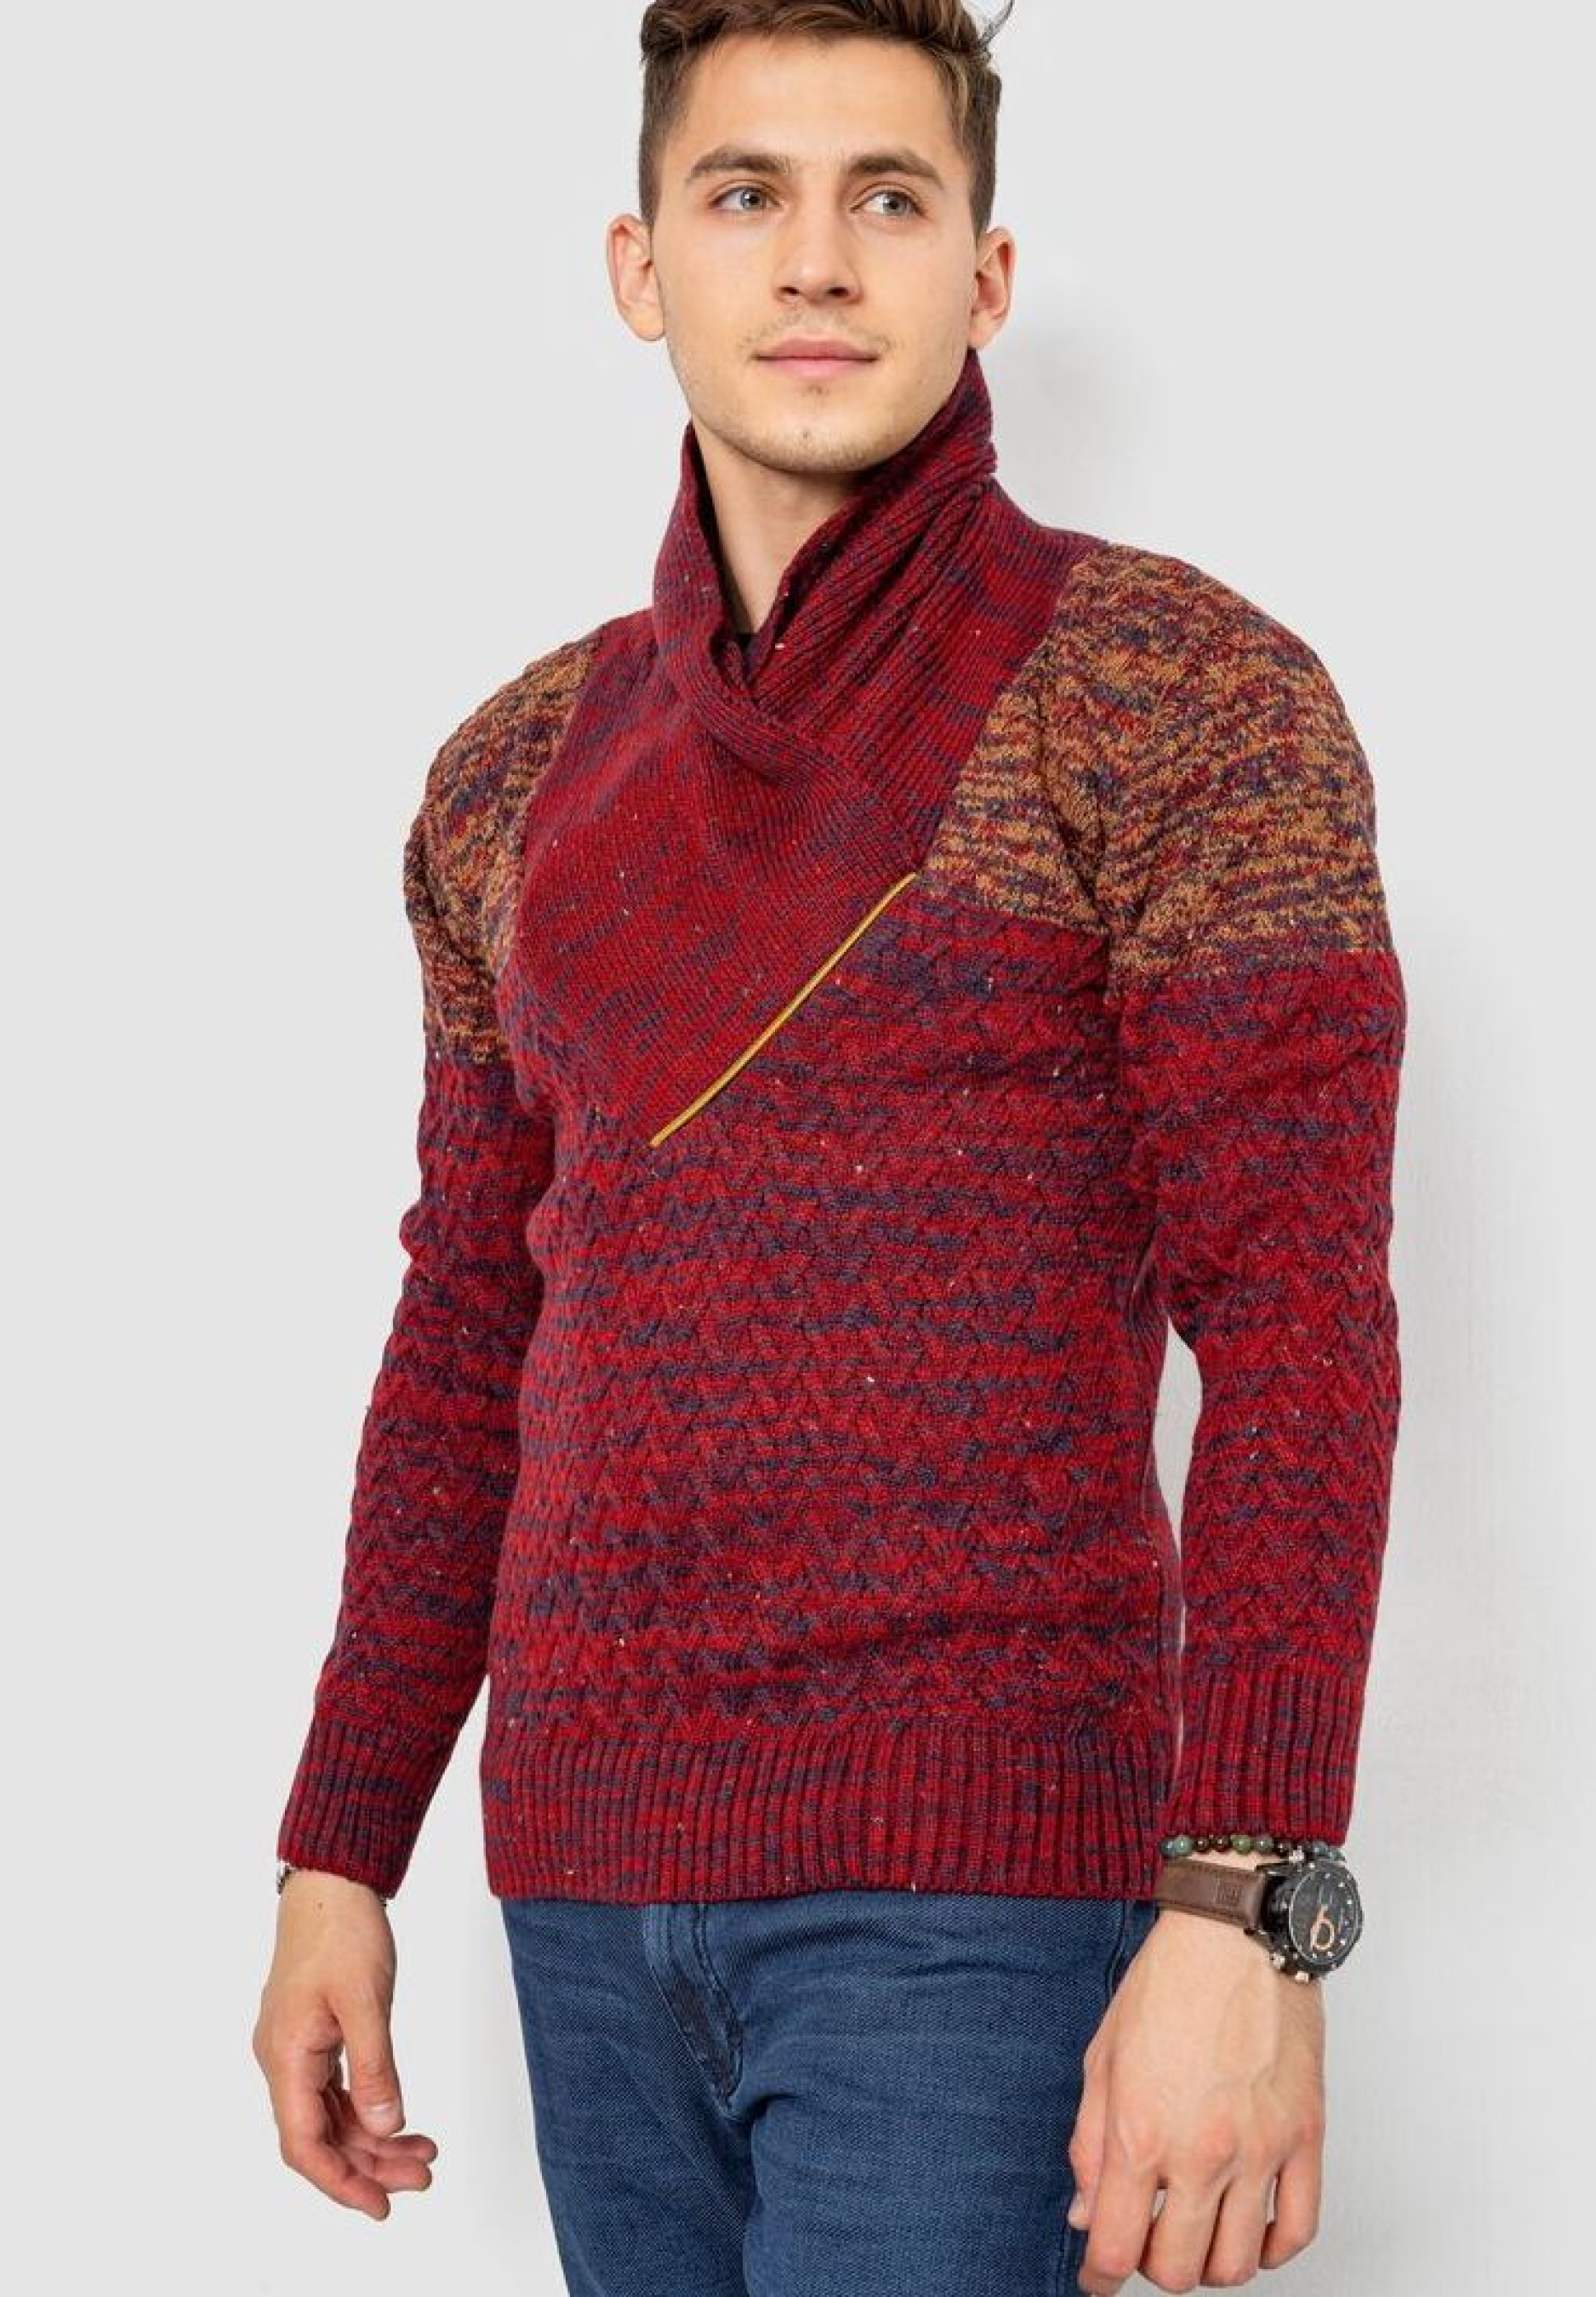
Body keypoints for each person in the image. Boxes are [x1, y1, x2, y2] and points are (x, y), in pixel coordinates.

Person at [250, 5, 1409, 2292]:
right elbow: (469, 1332)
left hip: (976, 1892)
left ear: (986, 273)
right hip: (580, 1887)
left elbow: (1297, 1320)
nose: (815, 261)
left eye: (888, 196)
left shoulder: (1179, 694)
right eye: (744, 195)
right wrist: (336, 1849)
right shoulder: (510, 776)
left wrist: (1248, 1893)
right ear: (637, 266)